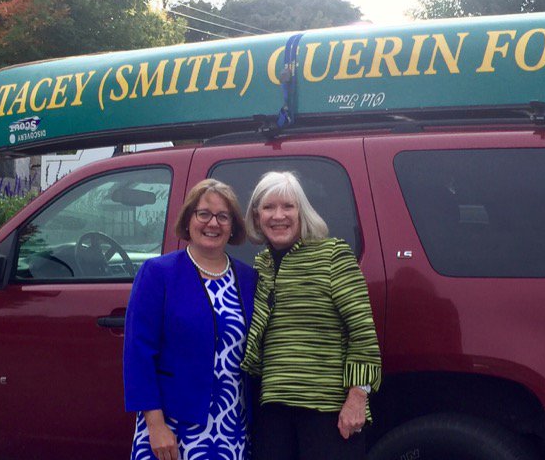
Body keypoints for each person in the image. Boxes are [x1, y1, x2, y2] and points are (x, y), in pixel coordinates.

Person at [241, 171, 381, 460]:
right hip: (273, 409)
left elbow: (363, 333)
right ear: (256, 217)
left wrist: (357, 397)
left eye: (288, 207)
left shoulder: (333, 256)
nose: (278, 215)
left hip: (327, 411)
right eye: (268, 208)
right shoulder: (262, 265)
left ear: (302, 212)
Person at [124, 179, 257, 460]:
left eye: (223, 216)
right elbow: (139, 354)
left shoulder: (247, 278)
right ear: (188, 220)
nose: (213, 223)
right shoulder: (158, 273)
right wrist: (155, 425)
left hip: (230, 424)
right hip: (172, 425)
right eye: (204, 213)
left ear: (233, 226)